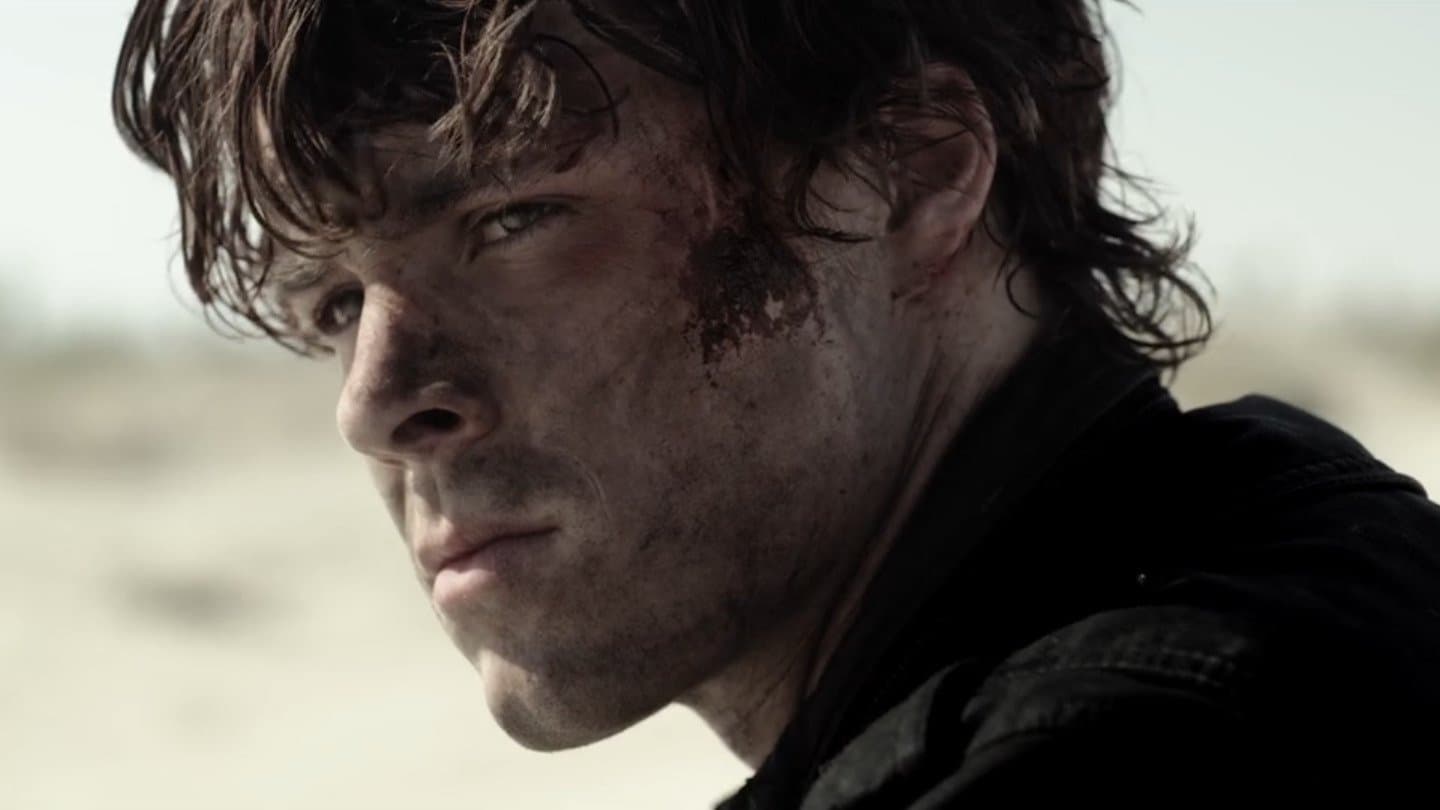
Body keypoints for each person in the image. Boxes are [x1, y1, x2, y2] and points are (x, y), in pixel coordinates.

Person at [113, 1, 1440, 805]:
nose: (377, 404)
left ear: (912, 172)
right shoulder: (1278, 544)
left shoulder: (1142, 753)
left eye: (513, 219)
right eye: (335, 303)